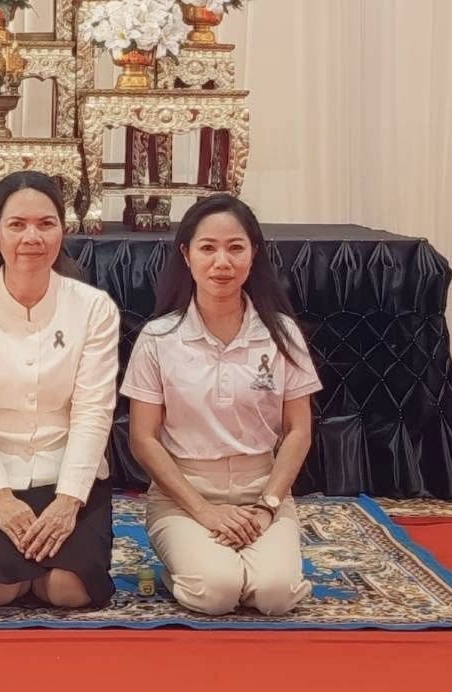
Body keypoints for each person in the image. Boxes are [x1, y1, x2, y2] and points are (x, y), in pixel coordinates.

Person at [120, 194, 323, 616]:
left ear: (254, 254)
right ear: (186, 255)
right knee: (216, 592)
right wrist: (204, 512)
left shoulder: (282, 333)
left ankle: (246, 560)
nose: (222, 262)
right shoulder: (158, 338)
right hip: (184, 496)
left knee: (276, 595)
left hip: (261, 489)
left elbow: (299, 430)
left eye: (235, 248)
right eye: (208, 248)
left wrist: (267, 506)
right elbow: (143, 439)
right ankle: (189, 565)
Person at [0, 171, 119, 607]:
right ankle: (18, 565)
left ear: (62, 230)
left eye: (45, 224)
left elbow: (93, 411)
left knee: (69, 590)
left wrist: (68, 501)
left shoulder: (94, 308)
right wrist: (0, 499)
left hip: (69, 479)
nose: (31, 237)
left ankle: (44, 566)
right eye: (17, 225)